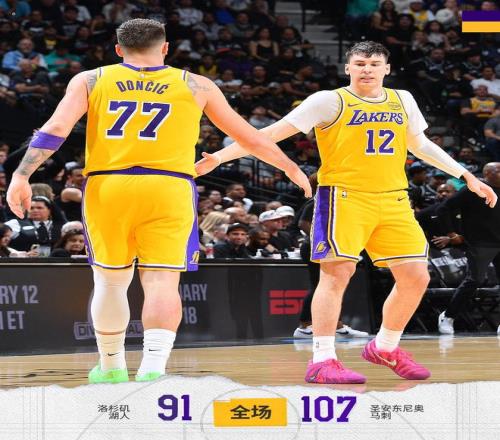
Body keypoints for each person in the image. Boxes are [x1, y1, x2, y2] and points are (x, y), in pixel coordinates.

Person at [6, 18, 311, 385]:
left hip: (109, 186)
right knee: (163, 282)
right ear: (165, 48)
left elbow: (55, 129)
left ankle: (111, 367)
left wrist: (21, 175)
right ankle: (153, 369)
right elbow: (249, 137)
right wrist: (291, 167)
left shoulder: (91, 79)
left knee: (110, 282)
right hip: (169, 186)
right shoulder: (196, 84)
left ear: (117, 49)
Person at [196, 41, 497, 384]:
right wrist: (219, 157)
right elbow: (270, 133)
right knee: (336, 275)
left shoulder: (403, 99)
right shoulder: (329, 100)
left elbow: (420, 145)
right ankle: (322, 359)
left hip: (393, 199)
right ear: (348, 68)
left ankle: (385, 347)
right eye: (360, 63)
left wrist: (466, 175)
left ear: (387, 68)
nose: (367, 69)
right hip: (344, 198)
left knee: (416, 276)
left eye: (374, 63)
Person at [436, 163, 500, 335]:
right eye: (499, 170)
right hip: (480, 243)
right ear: (487, 173)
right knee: (474, 280)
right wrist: (451, 233)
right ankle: (448, 316)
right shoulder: (473, 189)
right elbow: (443, 209)